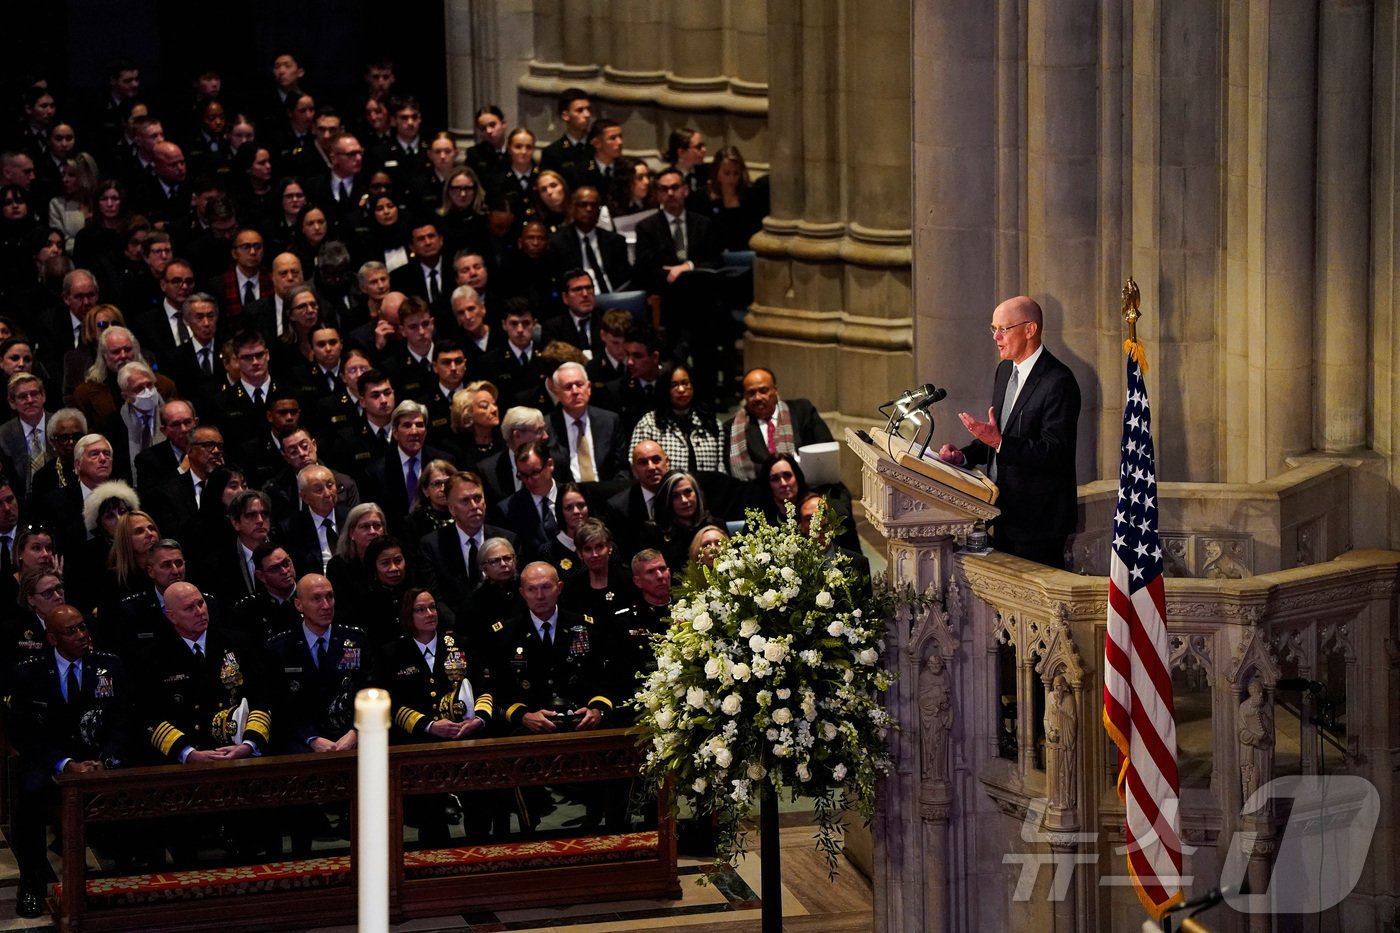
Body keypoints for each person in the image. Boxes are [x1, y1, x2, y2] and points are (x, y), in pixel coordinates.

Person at [937, 296, 1081, 568]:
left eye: (1004, 329)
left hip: (1039, 521)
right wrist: (964, 457)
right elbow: (998, 434)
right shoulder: (1005, 371)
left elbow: (1055, 452)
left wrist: (1000, 442)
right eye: (994, 329)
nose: (996, 337)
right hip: (1002, 511)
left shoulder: (1058, 381)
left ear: (1030, 330)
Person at [8, 604, 129, 918]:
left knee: (131, 781)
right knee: (28, 791)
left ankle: (126, 877)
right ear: (51, 637)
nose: (81, 635)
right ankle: (32, 882)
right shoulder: (28, 671)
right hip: (52, 761)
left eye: (83, 628)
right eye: (71, 631)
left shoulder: (109, 666)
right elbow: (23, 732)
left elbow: (122, 721)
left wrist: (107, 759)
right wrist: (64, 763)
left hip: (98, 757)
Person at [724, 367, 833, 480]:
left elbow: (825, 448)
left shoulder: (802, 411)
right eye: (751, 393)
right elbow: (733, 469)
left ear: (775, 390)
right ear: (745, 396)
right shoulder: (732, 428)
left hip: (807, 486)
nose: (757, 398)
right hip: (760, 492)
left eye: (763, 390)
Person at [630, 361, 726, 475]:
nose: (681, 390)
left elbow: (722, 466)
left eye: (685, 383)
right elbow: (635, 464)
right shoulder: (649, 424)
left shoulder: (710, 421)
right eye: (674, 385)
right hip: (664, 490)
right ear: (664, 389)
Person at [640, 470, 718, 574]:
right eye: (675, 496)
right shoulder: (653, 532)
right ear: (666, 499)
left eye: (688, 492)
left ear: (697, 493)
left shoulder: (714, 525)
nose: (684, 500)